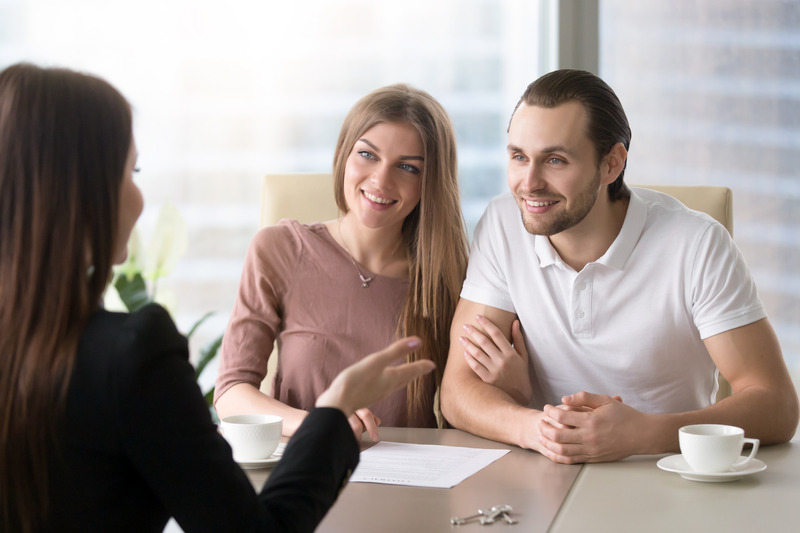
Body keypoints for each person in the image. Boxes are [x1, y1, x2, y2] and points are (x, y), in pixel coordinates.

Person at [0, 63, 436, 533]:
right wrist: (331, 412)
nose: (140, 197)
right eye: (131, 171)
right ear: (79, 191)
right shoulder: (133, 354)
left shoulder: (446, 273)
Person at [440, 69, 799, 464]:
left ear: (612, 164)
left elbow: (776, 405)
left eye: (555, 160)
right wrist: (538, 430)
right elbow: (457, 391)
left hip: (664, 474)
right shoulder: (502, 223)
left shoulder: (696, 245)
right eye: (519, 156)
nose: (529, 183)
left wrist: (642, 433)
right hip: (545, 472)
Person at [214, 84, 468, 439]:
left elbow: (466, 404)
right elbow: (231, 393)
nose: (381, 179)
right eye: (367, 155)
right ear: (343, 156)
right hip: (304, 470)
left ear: (430, 182)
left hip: (412, 482)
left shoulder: (450, 277)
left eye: (408, 167)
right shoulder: (279, 249)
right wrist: (321, 426)